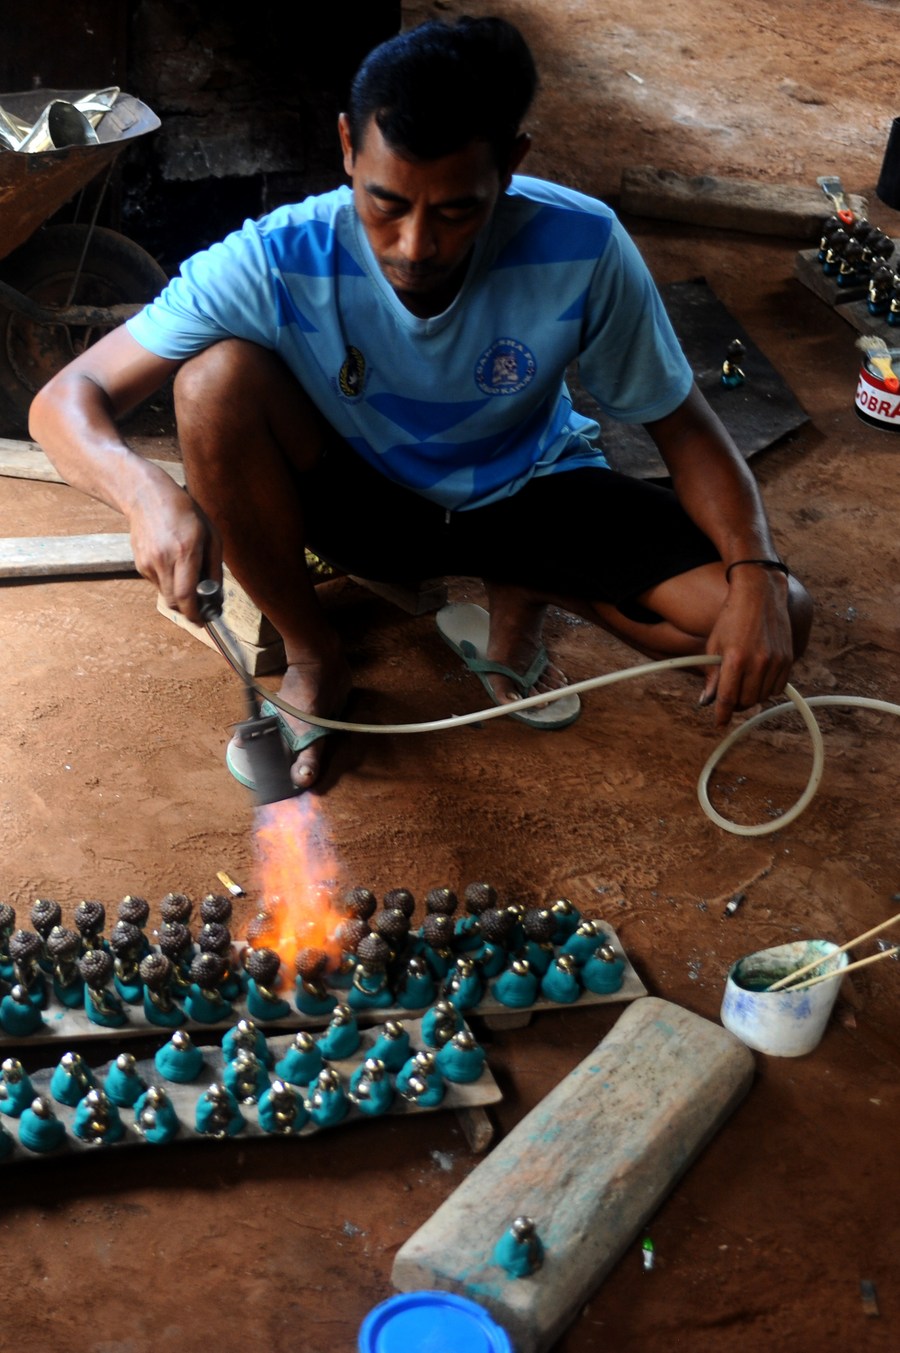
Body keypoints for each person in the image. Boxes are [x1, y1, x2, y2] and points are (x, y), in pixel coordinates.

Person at [29, 16, 812, 794]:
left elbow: (686, 430)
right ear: (347, 146)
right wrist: (144, 492)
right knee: (211, 380)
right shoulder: (275, 257)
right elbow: (65, 398)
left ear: (511, 164)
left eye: (456, 211)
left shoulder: (584, 243)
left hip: (534, 492)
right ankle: (316, 655)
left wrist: (760, 573)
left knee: (775, 617)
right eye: (386, 203)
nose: (414, 246)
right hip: (371, 508)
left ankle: (532, 580)